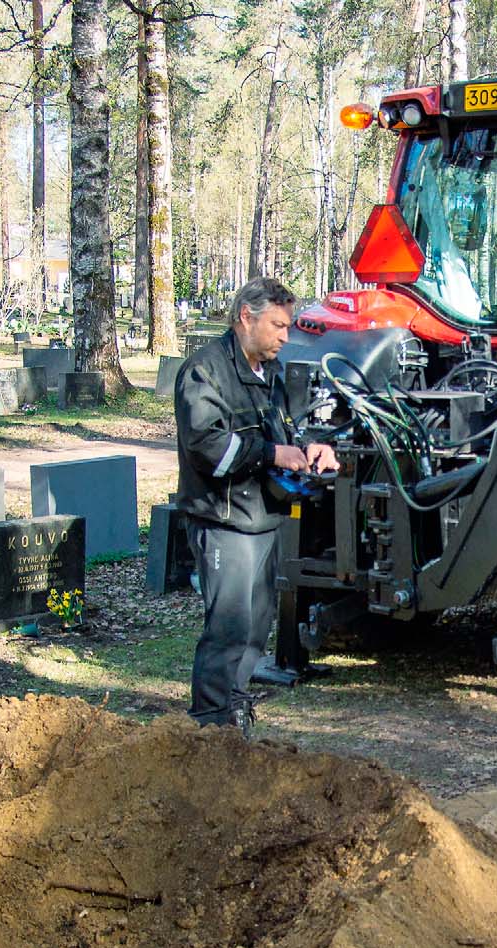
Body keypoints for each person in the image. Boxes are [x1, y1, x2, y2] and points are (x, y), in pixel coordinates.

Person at [174, 277, 338, 736]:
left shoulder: (274, 372)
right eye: (278, 325)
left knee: (256, 627)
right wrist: (271, 454)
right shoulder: (205, 371)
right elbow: (207, 445)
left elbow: (288, 430)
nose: (286, 336)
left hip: (264, 518)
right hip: (223, 519)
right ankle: (211, 726)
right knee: (228, 627)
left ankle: (236, 707)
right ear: (246, 317)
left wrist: (310, 449)